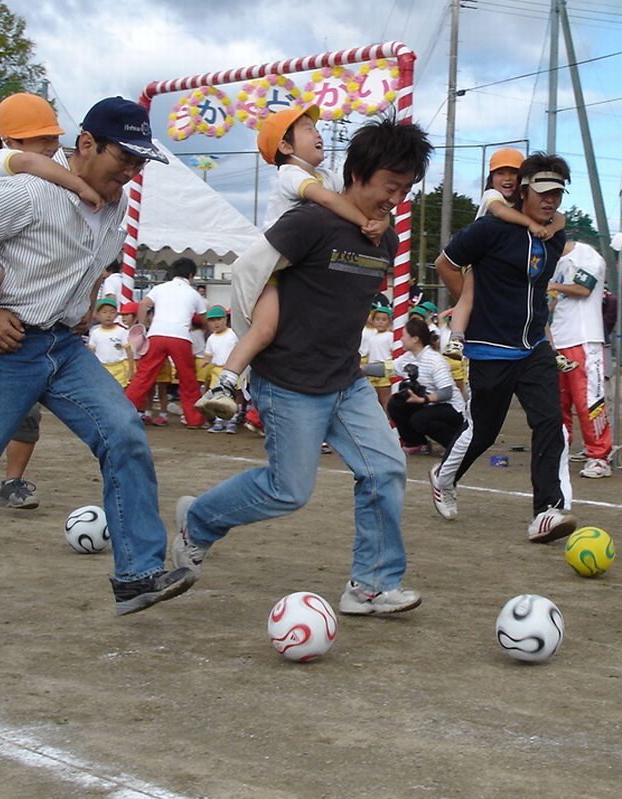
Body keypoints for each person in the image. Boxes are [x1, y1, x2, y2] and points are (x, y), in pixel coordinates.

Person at [0, 96, 192, 618]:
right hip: (6, 349)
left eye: (140, 163)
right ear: (87, 144)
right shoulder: (28, 192)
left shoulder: (116, 205)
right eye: (125, 160)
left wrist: (85, 305)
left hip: (64, 347)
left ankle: (137, 575)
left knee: (125, 434)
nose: (132, 173)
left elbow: (92, 263)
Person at [176, 116, 432, 616]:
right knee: (288, 491)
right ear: (358, 173)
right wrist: (258, 336)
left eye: (404, 190)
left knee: (385, 469)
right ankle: (198, 522)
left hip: (344, 379)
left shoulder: (387, 238)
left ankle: (371, 586)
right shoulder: (308, 222)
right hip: (289, 382)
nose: (395, 199)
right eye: (390, 186)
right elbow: (247, 272)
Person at [196, 105, 389, 421]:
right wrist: (366, 223)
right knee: (265, 328)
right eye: (307, 129)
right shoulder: (291, 175)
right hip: (272, 270)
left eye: (315, 127)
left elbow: (360, 195)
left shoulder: (327, 175)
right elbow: (328, 200)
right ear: (286, 147)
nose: (318, 133)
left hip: (300, 272)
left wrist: (383, 216)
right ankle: (224, 384)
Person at [432, 152, 579, 544]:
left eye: (558, 194)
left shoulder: (556, 234)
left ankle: (547, 510)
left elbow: (540, 276)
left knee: (551, 423)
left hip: (533, 347)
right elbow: (443, 263)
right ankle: (444, 476)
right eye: (543, 192)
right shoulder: (490, 227)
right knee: (483, 432)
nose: (550, 201)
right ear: (524, 190)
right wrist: (472, 302)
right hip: (489, 349)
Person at [0, 92, 105, 412]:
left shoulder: (36, 168)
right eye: (40, 139)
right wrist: (79, 185)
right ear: (11, 141)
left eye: (53, 137)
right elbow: (31, 161)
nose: (51, 146)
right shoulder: (6, 159)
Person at [442, 148, 566, 359]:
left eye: (513, 173)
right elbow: (500, 212)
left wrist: (551, 230)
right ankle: (456, 337)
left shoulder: (528, 208)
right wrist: (532, 225)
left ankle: (551, 350)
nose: (507, 178)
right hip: (481, 258)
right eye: (500, 173)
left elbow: (561, 218)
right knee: (469, 295)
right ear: (491, 178)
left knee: (535, 298)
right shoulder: (494, 197)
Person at [549, 239, 613, 477]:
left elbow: (583, 289)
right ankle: (559, 449)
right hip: (557, 338)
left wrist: (552, 285)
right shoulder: (553, 261)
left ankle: (599, 456)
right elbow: (552, 301)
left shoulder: (586, 255)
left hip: (584, 338)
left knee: (588, 400)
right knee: (557, 401)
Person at [123, 257, 209, 427]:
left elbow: (143, 305)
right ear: (191, 275)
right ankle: (194, 419)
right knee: (188, 380)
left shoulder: (159, 288)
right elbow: (204, 319)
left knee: (143, 376)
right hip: (181, 337)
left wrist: (142, 327)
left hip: (156, 334)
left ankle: (124, 412)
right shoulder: (194, 294)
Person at [371, 316, 465, 454]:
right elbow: (386, 368)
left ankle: (456, 446)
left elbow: (447, 393)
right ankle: (417, 443)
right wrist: (359, 369)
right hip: (429, 405)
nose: (401, 339)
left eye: (404, 336)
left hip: (452, 409)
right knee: (395, 404)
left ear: (415, 339)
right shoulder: (408, 357)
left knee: (419, 420)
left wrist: (423, 400)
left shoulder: (435, 360)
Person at [199, 305, 240, 433]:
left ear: (225, 320)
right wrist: (205, 362)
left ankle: (233, 419)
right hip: (217, 370)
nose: (215, 323)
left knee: (233, 395)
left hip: (232, 369)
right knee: (217, 396)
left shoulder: (233, 334)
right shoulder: (211, 338)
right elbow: (208, 354)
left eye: (218, 319)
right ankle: (219, 420)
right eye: (212, 320)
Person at [87, 296, 134, 386]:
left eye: (112, 312)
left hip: (119, 368)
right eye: (104, 312)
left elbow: (129, 351)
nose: (108, 315)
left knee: (120, 392)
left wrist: (131, 370)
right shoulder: (95, 332)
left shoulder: (122, 331)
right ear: (97, 314)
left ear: (116, 314)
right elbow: (91, 352)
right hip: (101, 369)